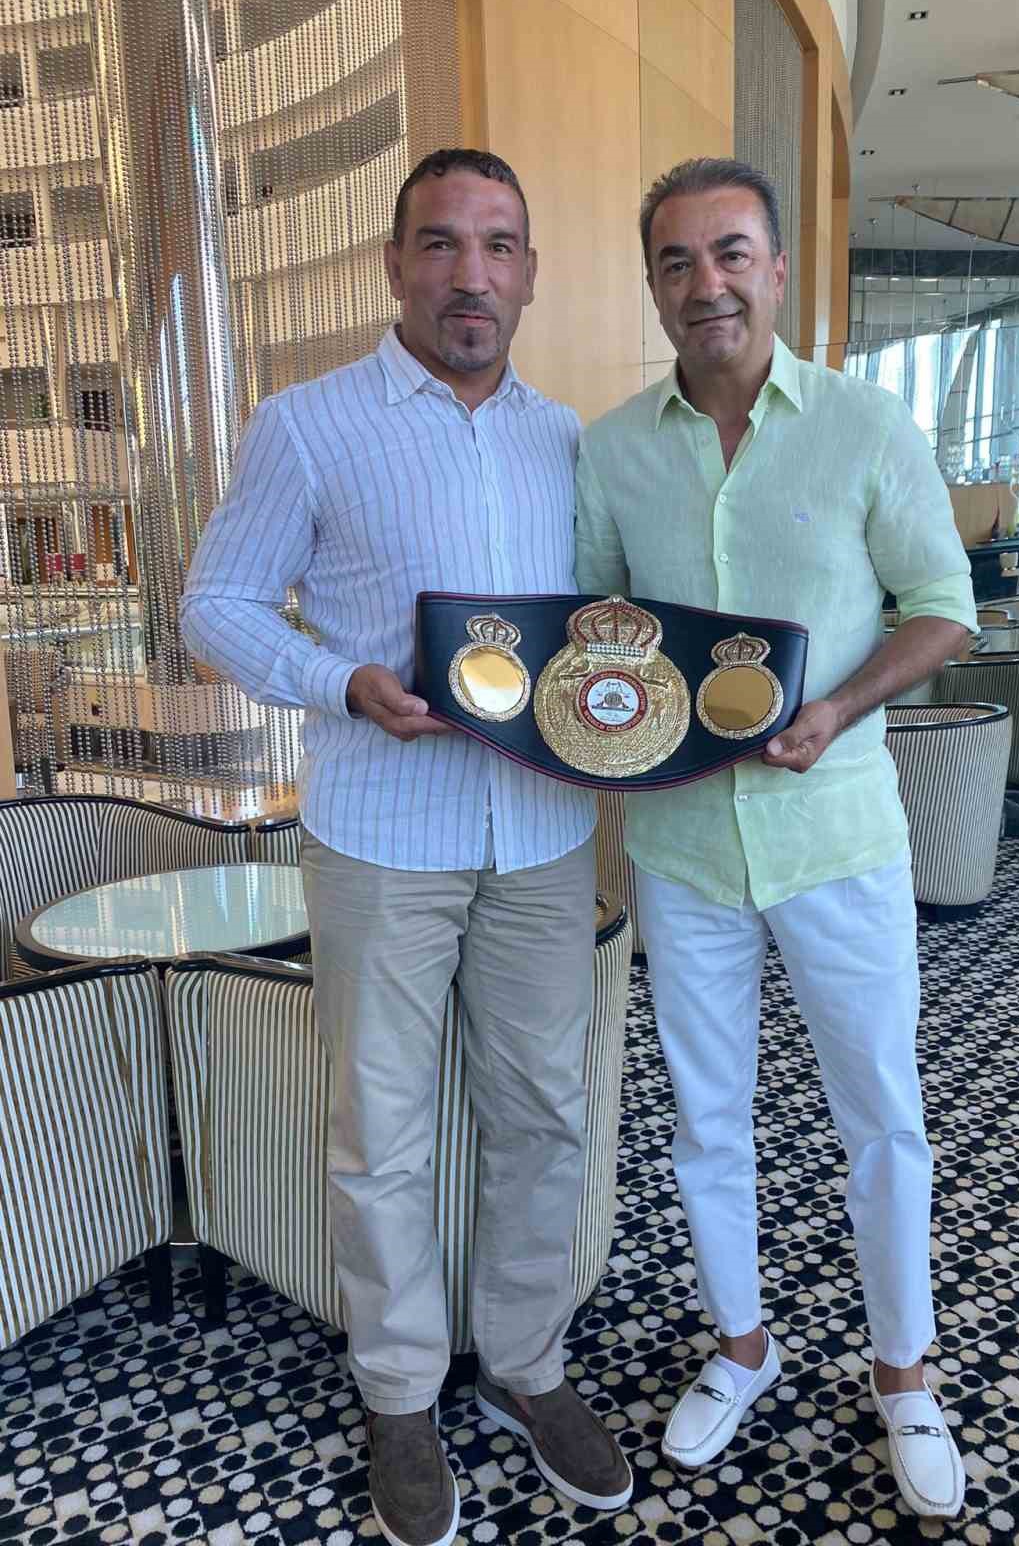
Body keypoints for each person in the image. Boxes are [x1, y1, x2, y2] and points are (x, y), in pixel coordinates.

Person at [181, 147, 633, 1546]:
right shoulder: (308, 425)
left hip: (542, 832)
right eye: (441, 243)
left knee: (547, 1114)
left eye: (499, 246)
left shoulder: (569, 440)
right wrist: (342, 683)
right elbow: (217, 601)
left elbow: (598, 629)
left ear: (531, 272)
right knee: (381, 1130)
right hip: (382, 832)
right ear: (395, 264)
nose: (470, 275)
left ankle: (527, 1363)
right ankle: (396, 1392)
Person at [574, 158, 976, 1520]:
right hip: (682, 845)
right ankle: (742, 1346)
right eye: (678, 262)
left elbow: (944, 604)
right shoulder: (615, 450)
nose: (708, 284)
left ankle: (904, 1374)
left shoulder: (864, 425)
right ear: (654, 286)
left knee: (882, 1116)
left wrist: (842, 706)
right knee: (705, 1122)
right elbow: (597, 628)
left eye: (732, 253)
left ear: (779, 268)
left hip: (837, 838)